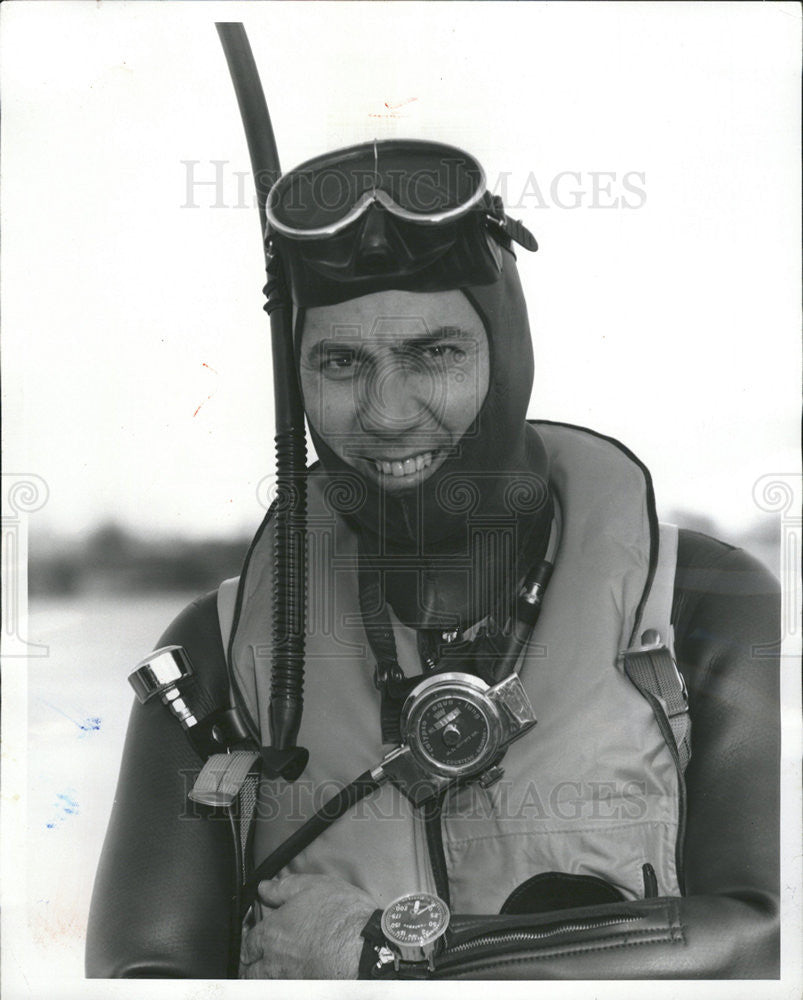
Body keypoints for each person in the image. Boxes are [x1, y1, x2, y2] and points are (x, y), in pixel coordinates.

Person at [85, 139, 780, 980]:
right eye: (340, 362)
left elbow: (767, 940)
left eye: (433, 354)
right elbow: (139, 978)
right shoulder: (216, 652)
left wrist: (414, 965)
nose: (384, 414)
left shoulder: (700, 608)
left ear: (507, 352)